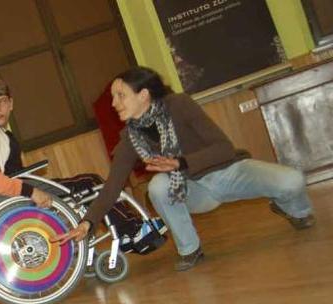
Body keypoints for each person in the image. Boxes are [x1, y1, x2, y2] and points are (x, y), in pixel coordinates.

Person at [55, 66, 315, 271]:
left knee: (293, 181)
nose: (114, 103)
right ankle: (190, 250)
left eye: (120, 95)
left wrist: (181, 163)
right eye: (114, 97)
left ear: (143, 94)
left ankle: (294, 210)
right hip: (193, 190)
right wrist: (87, 223)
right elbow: (112, 185)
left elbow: (223, 147)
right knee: (158, 186)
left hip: (229, 172)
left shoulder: (179, 104)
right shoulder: (131, 136)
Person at [0, 77, 53, 208]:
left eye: (2, 102)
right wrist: (31, 192)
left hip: (11, 196)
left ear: (11, 104)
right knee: (90, 182)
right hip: (18, 198)